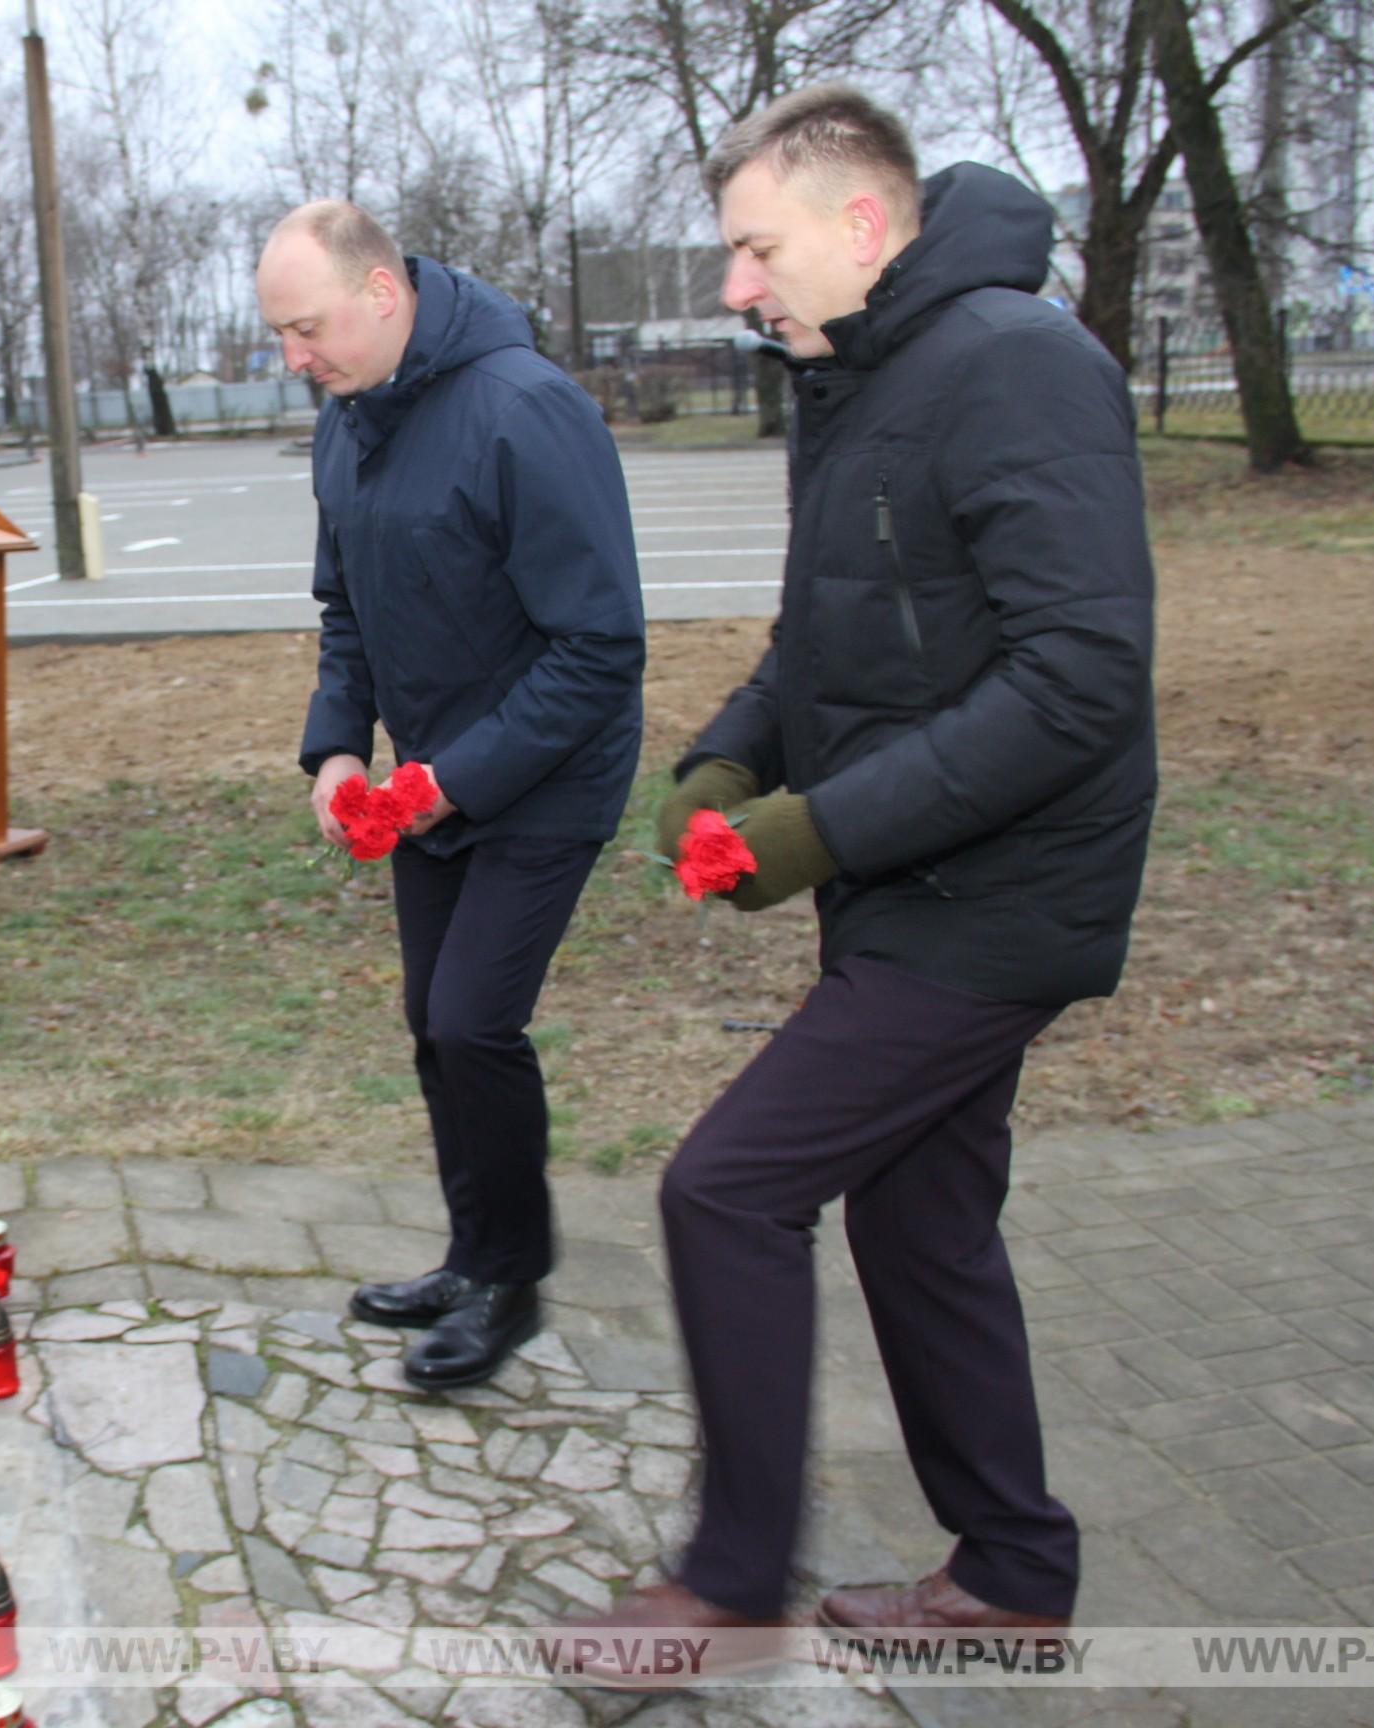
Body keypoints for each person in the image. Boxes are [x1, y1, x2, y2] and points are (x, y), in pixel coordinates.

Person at [560, 86, 1157, 1680]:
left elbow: (1078, 678)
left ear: (863, 224)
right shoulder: (861, 374)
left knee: (727, 1188)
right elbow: (824, 639)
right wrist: (728, 763)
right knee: (922, 1219)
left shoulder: (1019, 366)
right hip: (913, 882)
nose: (738, 285)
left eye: (756, 247)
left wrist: (820, 833)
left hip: (1000, 899)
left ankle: (732, 1586)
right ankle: (1017, 1566)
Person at [258, 201, 645, 1391]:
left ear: (383, 292)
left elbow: (599, 646)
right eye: (278, 336)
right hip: (428, 783)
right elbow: (348, 612)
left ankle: (513, 1285)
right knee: (435, 1027)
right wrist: (339, 752)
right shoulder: (350, 422)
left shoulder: (526, 409)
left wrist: (449, 781)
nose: (294, 360)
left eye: (308, 328)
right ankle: (472, 1255)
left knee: (475, 1020)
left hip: (542, 777)